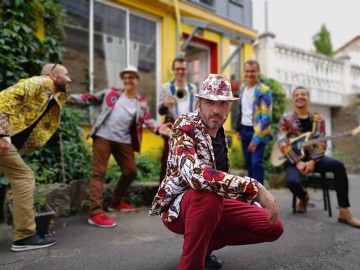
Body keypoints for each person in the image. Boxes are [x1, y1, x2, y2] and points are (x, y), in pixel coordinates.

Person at [149, 74, 283, 270]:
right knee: (208, 197)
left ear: (229, 106)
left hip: (213, 202)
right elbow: (196, 175)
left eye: (222, 104)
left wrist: (250, 199)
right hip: (179, 208)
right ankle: (190, 264)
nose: (216, 110)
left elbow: (221, 180)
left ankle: (202, 249)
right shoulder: (184, 127)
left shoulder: (219, 131)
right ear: (199, 103)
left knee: (272, 226)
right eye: (210, 102)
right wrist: (254, 186)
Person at [68, 65, 171, 228]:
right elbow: (90, 98)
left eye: (132, 77)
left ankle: (115, 203)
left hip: (123, 140)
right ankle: (95, 213)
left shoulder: (141, 103)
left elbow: (149, 121)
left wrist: (159, 128)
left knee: (130, 171)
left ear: (137, 80)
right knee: (99, 172)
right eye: (126, 77)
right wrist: (67, 97)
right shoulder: (112, 94)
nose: (128, 80)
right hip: (103, 136)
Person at [0, 63, 72, 251]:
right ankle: (24, 237)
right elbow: (3, 97)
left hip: (8, 143)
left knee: (21, 177)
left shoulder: (50, 95)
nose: (70, 79)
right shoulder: (41, 82)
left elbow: (68, 98)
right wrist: (2, 133)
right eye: (66, 74)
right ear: (52, 75)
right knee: (24, 177)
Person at [277, 86, 360, 228]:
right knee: (292, 182)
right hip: (294, 159)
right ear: (293, 99)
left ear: (308, 98)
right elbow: (282, 141)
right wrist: (297, 162)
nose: (300, 97)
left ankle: (344, 211)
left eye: (303, 94)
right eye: (297, 95)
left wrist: (313, 161)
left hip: (315, 158)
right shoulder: (286, 119)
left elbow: (321, 142)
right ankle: (304, 198)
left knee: (338, 166)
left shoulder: (318, 119)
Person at [158, 57, 197, 183]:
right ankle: (162, 198)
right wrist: (164, 104)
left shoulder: (192, 89)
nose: (180, 71)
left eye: (183, 69)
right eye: (178, 69)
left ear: (187, 71)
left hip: (189, 130)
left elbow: (196, 110)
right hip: (172, 129)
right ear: (173, 70)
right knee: (167, 162)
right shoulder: (165, 88)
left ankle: (182, 196)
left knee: (188, 162)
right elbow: (159, 110)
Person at [236, 59, 272, 184]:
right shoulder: (242, 88)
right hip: (244, 129)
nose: (250, 74)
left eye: (253, 71)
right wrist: (238, 129)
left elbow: (266, 118)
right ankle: (252, 197)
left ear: (258, 72)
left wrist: (256, 140)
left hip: (258, 131)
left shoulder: (264, 90)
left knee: (256, 164)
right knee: (249, 165)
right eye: (247, 71)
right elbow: (241, 110)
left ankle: (261, 199)